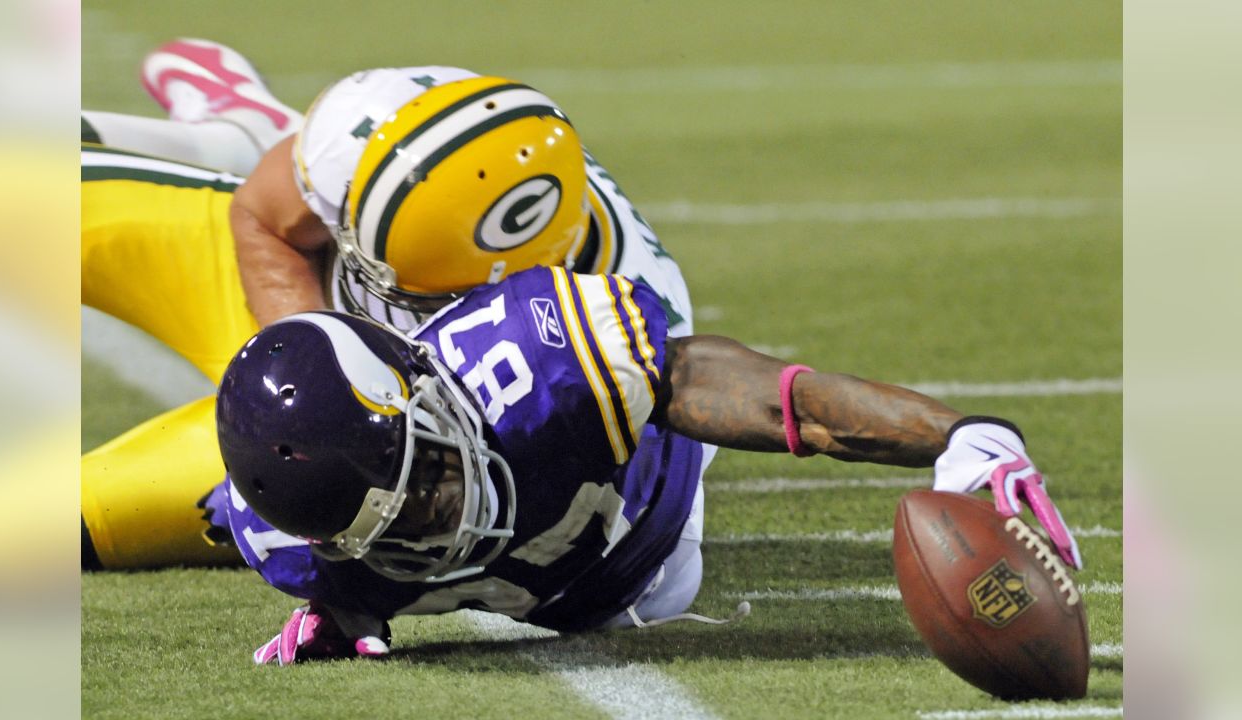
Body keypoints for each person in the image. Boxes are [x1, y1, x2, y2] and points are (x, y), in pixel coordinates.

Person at [213, 265, 1082, 664]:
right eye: (391, 529)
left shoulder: (541, 368)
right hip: (579, 584)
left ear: (431, 397)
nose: (435, 520)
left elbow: (762, 396)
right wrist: (342, 600)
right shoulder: (290, 541)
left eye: (430, 476)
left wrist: (962, 437)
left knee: (649, 344)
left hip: (653, 494)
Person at [81, 39, 697, 569]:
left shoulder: (618, 335)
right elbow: (265, 220)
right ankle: (243, 135)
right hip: (287, 288)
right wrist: (311, 354)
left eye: (411, 291)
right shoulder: (378, 122)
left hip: (362, 440)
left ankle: (243, 129)